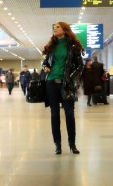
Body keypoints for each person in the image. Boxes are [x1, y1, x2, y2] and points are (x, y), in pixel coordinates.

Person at [42, 21, 85, 155]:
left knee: (69, 114)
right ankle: (57, 145)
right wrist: (45, 67)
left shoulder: (73, 46)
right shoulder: (51, 46)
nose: (55, 29)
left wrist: (70, 77)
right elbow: (45, 62)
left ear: (65, 30)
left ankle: (72, 144)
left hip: (67, 83)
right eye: (54, 27)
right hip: (51, 82)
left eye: (58, 27)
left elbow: (79, 66)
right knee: (54, 114)